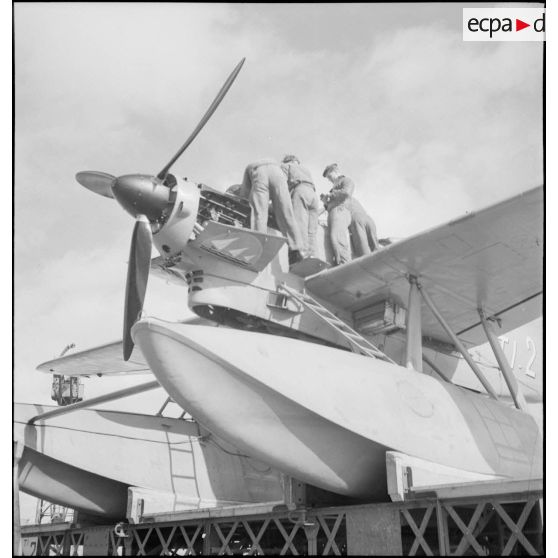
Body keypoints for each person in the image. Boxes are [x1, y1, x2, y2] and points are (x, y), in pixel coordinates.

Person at [240, 159, 305, 263]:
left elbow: (244, 195)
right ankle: (297, 250)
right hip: (277, 173)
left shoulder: (249, 167)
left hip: (258, 172)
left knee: (259, 214)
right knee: (286, 213)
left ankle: (258, 246)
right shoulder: (280, 166)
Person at [280, 155, 319, 258]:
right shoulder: (305, 169)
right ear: (297, 161)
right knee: (311, 230)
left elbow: (282, 184)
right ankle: (312, 256)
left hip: (300, 191)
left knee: (299, 224)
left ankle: (301, 255)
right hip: (313, 195)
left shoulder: (285, 166)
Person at [322, 163, 353, 265]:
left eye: (330, 176)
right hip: (333, 212)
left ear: (336, 172)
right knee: (333, 238)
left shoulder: (346, 180)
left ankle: (345, 264)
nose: (329, 180)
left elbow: (346, 193)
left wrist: (331, 195)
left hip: (340, 210)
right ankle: (340, 262)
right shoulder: (333, 189)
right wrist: (325, 201)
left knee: (337, 237)